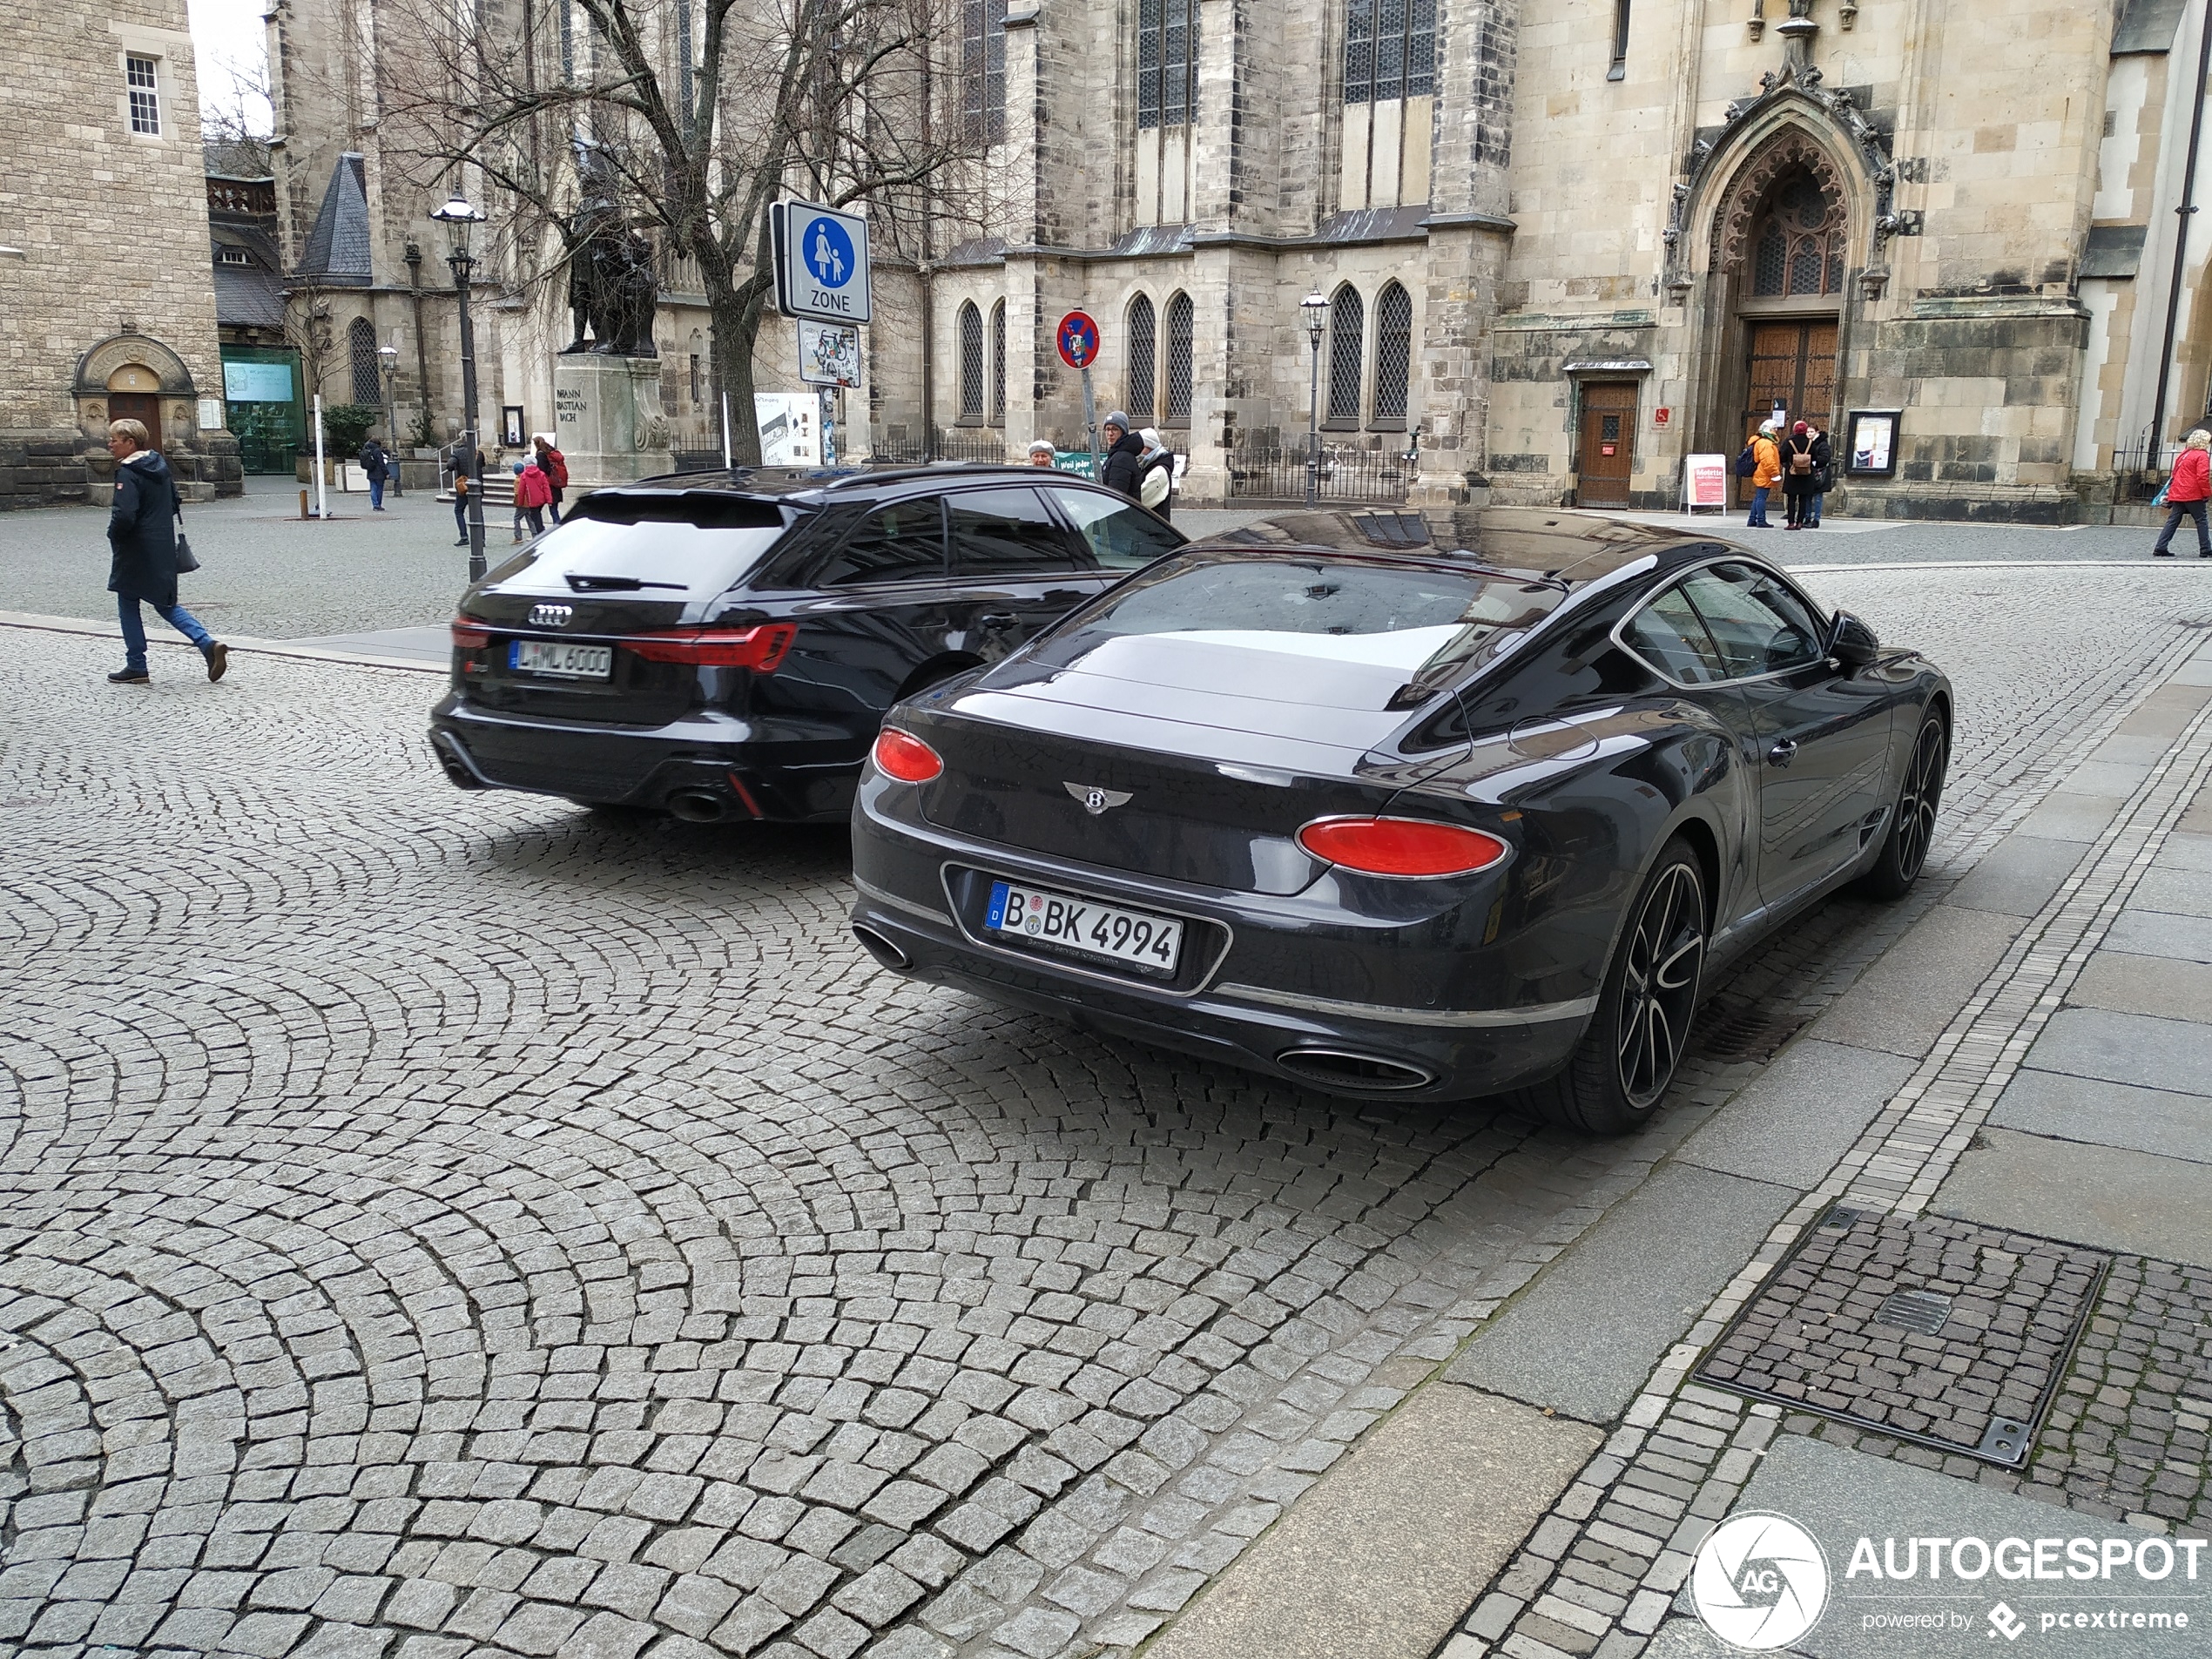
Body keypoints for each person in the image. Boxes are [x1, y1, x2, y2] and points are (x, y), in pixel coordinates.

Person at [103, 419, 228, 685]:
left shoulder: (128, 473)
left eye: (115, 439)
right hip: (161, 546)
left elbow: (124, 516)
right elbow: (173, 504)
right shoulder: (160, 466)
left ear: (130, 442)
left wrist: (112, 533)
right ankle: (206, 643)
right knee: (165, 602)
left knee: (128, 602)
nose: (110, 444)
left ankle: (137, 665)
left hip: (135, 550)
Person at [2154, 428, 2212, 556]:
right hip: (2193, 492)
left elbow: (2175, 473)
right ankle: (2205, 549)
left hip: (2178, 492)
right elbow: (2202, 476)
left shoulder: (2185, 454)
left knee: (2173, 520)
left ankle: (2160, 546)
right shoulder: (2201, 455)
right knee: (2201, 520)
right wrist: (2207, 493)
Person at [1781, 420, 1828, 529]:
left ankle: (1791, 523)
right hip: (1806, 474)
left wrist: (1789, 463)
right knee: (1803, 499)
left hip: (1792, 474)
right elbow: (1815, 458)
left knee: (1791, 499)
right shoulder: (1810, 442)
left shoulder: (1789, 442)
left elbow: (1782, 456)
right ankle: (1800, 523)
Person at [1100, 411, 1146, 499]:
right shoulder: (1116, 454)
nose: (1110, 434)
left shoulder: (1122, 458)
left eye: (1115, 429)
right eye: (1107, 429)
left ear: (1123, 432)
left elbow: (1115, 496)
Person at [1746, 421, 1781, 528]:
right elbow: (1768, 461)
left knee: (1758, 497)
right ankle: (1761, 520)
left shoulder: (1762, 441)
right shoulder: (1766, 443)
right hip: (1765, 472)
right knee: (1761, 497)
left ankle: (1752, 519)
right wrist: (1775, 473)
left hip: (1762, 471)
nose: (1776, 431)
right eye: (1774, 428)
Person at [1138, 427, 1176, 522]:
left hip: (1154, 531)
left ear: (1150, 447)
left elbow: (1140, 501)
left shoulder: (1159, 472)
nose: (1137, 451)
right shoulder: (1147, 466)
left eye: (1141, 447)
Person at [514, 454, 553, 538]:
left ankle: (541, 534)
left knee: (535, 518)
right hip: (541, 499)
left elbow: (521, 491)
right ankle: (540, 531)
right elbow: (546, 488)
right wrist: (549, 500)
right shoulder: (541, 474)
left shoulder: (524, 475)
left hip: (532, 500)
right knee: (537, 515)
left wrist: (520, 502)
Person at [452, 448, 485, 546]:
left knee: (458, 510)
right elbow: (482, 465)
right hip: (478, 487)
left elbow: (450, 465)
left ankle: (464, 536)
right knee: (478, 513)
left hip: (464, 487)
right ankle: (481, 539)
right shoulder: (479, 453)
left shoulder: (457, 453)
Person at [533, 435, 569, 524]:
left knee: (537, 510)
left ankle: (542, 530)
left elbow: (541, 470)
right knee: (554, 510)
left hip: (548, 485)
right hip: (555, 484)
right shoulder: (551, 451)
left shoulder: (541, 454)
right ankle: (558, 528)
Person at [1808, 420, 1831, 527]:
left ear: (1817, 432)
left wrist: (1813, 461)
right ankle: (1807, 517)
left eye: (1812, 432)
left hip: (1819, 474)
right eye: (1808, 432)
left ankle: (1816, 519)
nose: (1809, 434)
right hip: (1808, 473)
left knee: (1817, 497)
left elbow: (1825, 458)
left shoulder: (1822, 444)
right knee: (1807, 496)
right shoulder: (1808, 443)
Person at [359, 435, 391, 511]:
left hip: (370, 471)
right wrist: (386, 472)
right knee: (379, 489)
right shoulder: (377, 450)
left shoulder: (366, 449)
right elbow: (381, 463)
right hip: (379, 473)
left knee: (373, 489)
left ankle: (375, 504)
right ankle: (378, 505)